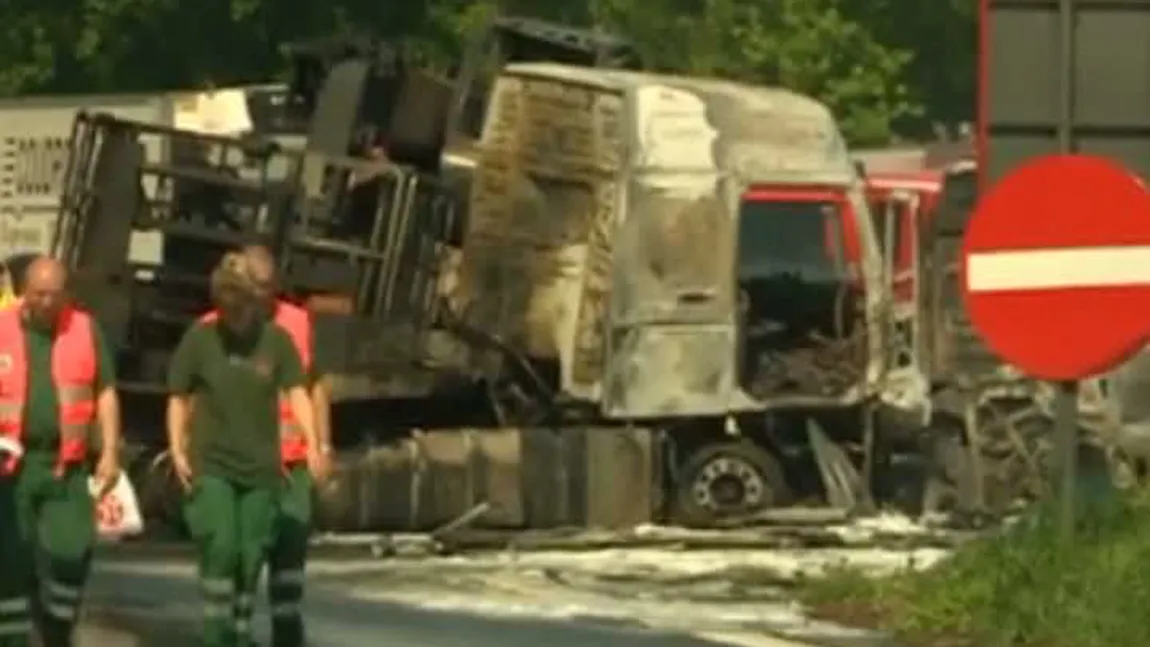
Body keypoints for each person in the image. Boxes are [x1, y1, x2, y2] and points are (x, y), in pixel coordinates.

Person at [167, 252, 323, 647]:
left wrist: (316, 443)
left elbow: (302, 391)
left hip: (264, 466)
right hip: (214, 461)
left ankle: (241, 629)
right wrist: (177, 448)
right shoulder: (201, 337)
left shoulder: (281, 338)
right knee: (221, 545)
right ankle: (216, 634)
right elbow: (178, 396)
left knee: (253, 553)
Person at [211, 245, 332, 647]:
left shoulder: (297, 323)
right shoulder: (215, 327)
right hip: (243, 463)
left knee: (291, 549)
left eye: (269, 286)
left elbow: (315, 387)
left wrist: (323, 446)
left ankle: (287, 632)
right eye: (254, 285)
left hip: (293, 461)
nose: (262, 293)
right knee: (243, 554)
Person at [0, 256, 122, 647]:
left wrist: (110, 452)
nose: (48, 303)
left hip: (65, 466)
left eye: (56, 294)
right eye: (40, 294)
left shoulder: (85, 330)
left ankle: (56, 630)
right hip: (11, 467)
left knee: (70, 552)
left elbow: (105, 390)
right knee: (10, 560)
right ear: (24, 293)